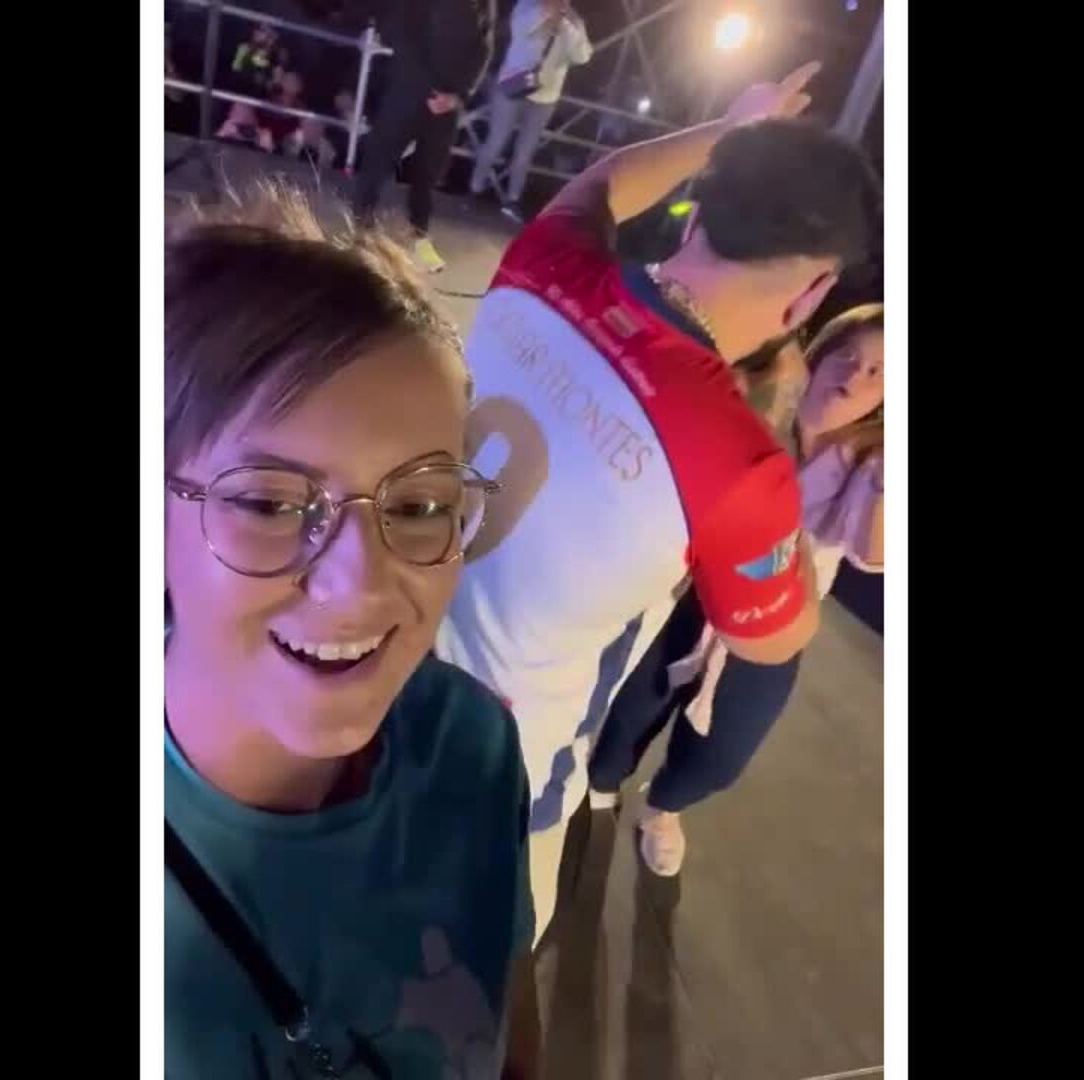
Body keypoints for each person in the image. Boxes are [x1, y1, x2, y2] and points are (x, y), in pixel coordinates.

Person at [432, 62, 883, 943]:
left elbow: (602, 182)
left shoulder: (546, 264)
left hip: (383, 657)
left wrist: (729, 125)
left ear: (696, 211)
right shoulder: (740, 462)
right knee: (481, 967)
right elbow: (775, 639)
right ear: (813, 292)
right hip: (505, 766)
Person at [164, 184, 540, 1079]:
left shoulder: (470, 742)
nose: (359, 583)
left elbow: (509, 1018)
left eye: (419, 505)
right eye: (268, 503)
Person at [588, 305, 886, 876]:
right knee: (634, 705)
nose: (856, 375)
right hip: (694, 595)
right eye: (848, 356)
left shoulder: (869, 461)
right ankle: (600, 784)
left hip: (777, 622)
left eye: (878, 372)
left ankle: (663, 807)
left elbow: (871, 555)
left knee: (723, 753)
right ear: (821, 354)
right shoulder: (765, 406)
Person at [350, 0, 496, 274]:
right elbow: (403, 31)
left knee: (428, 174)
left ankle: (419, 235)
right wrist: (430, 88)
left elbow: (484, 48)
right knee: (379, 162)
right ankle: (360, 231)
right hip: (408, 91)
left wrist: (459, 95)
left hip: (448, 103)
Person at [470, 0, 594, 222]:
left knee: (525, 152)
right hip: (514, 84)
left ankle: (512, 200)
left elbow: (582, 56)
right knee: (496, 141)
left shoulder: (574, 20)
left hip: (546, 96)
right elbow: (520, 29)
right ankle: (475, 187)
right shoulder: (528, 5)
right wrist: (545, 13)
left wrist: (566, 26)